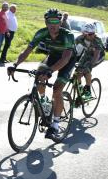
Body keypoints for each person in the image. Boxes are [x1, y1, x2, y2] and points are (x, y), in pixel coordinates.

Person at [7, 8, 75, 141]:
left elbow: (66, 58)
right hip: (53, 56)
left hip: (68, 60)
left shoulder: (67, 35)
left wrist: (51, 71)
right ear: (46, 22)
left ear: (60, 22)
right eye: (50, 21)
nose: (53, 25)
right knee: (39, 74)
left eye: (56, 21)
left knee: (57, 90)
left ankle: (55, 125)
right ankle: (45, 103)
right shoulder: (42, 33)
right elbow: (27, 51)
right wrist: (15, 65)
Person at [73, 23, 105, 101]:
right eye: (90, 34)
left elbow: (96, 55)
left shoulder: (97, 40)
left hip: (98, 55)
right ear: (84, 34)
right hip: (87, 53)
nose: (92, 35)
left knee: (86, 69)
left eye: (93, 33)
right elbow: (71, 49)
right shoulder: (80, 38)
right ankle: (79, 91)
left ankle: (88, 91)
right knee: (77, 72)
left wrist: (89, 65)